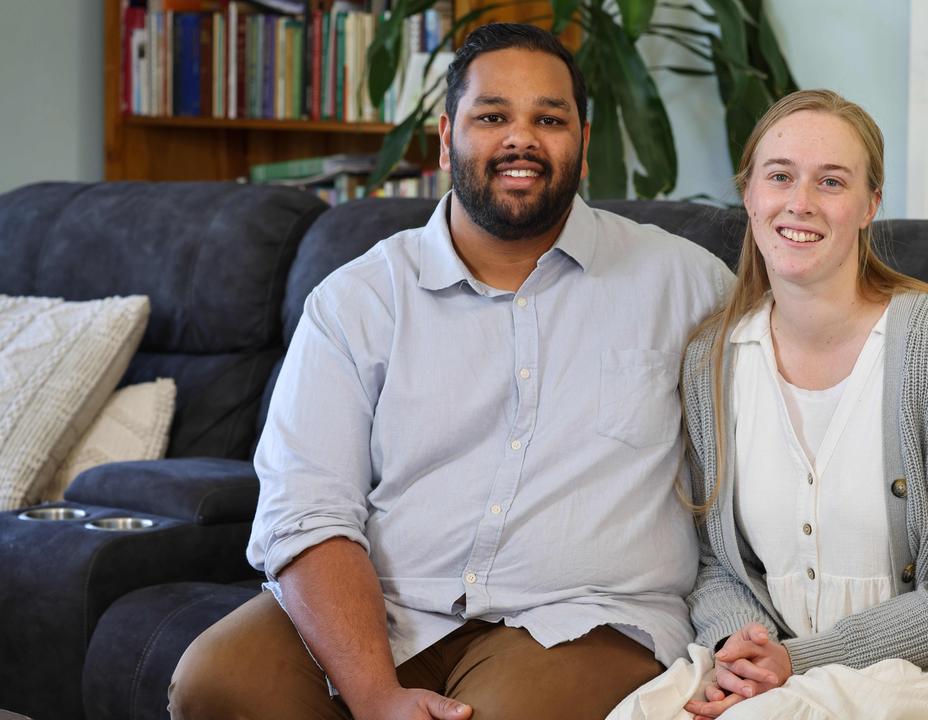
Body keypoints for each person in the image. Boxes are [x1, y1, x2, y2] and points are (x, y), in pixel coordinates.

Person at [167, 23, 734, 720]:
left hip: (582, 620)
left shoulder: (689, 285)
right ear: (445, 139)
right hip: (390, 605)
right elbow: (307, 508)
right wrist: (375, 695)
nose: (520, 140)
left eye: (549, 119)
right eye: (492, 116)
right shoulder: (358, 300)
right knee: (218, 679)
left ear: (583, 145)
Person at [610, 90, 928, 720]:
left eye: (832, 181)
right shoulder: (712, 360)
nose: (800, 202)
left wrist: (800, 662)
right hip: (782, 666)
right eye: (780, 176)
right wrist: (741, 650)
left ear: (870, 205)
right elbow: (715, 562)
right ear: (750, 195)